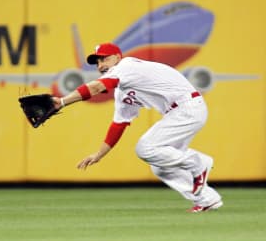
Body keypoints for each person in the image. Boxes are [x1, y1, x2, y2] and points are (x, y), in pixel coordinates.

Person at [52, 43, 222, 213]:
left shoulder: (126, 67)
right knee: (160, 167)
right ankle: (207, 199)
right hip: (180, 112)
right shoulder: (122, 91)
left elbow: (96, 87)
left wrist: (62, 101)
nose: (101, 65)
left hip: (187, 107)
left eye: (104, 59)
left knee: (146, 148)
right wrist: (99, 154)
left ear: (118, 57)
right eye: (97, 62)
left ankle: (197, 163)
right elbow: (119, 124)